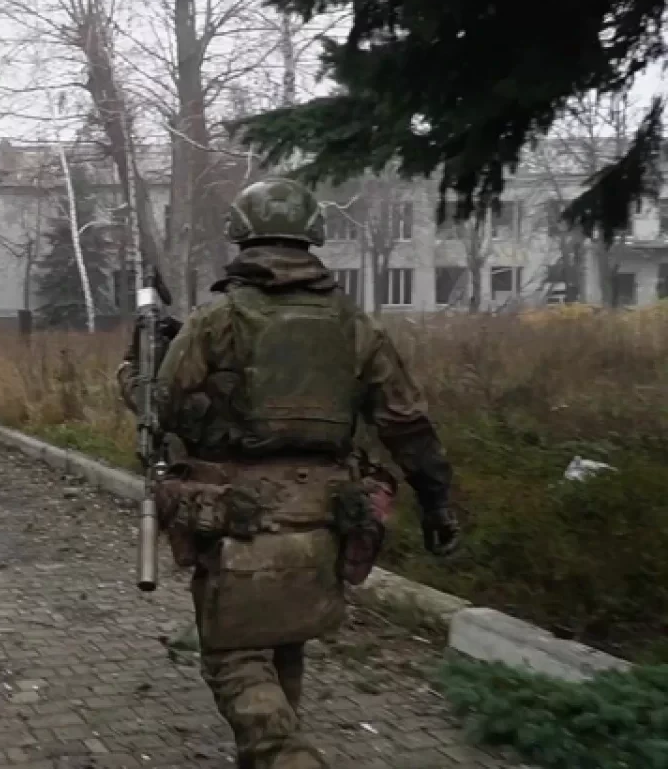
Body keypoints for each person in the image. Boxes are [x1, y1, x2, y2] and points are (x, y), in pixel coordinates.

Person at [116, 178, 460, 769]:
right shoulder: (354, 324)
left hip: (238, 516)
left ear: (241, 235)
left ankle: (284, 757)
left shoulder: (218, 318)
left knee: (232, 657)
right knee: (284, 639)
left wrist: (135, 361)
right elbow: (407, 423)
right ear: (313, 237)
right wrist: (438, 501)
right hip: (326, 516)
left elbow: (159, 407)